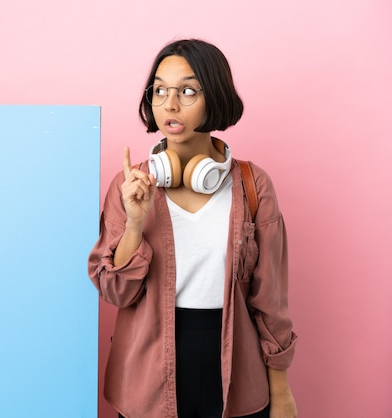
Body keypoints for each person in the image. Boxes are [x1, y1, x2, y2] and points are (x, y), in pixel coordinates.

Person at [87, 39, 298, 418]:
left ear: (214, 95)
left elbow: (271, 299)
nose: (170, 104)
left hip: (235, 368)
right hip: (147, 372)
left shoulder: (253, 186)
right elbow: (114, 291)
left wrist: (280, 390)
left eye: (187, 90)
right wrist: (135, 224)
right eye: (160, 90)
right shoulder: (130, 185)